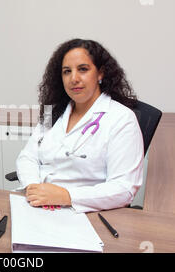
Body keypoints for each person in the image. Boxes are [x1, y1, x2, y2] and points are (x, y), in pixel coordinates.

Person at [16, 38, 144, 213]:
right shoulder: (53, 112)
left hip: (84, 212)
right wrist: (33, 187)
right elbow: (27, 157)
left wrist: (67, 196)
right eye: (67, 71)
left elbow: (123, 188)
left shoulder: (121, 119)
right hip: (37, 205)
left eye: (83, 69)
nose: (73, 78)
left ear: (100, 73)